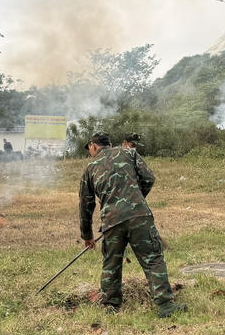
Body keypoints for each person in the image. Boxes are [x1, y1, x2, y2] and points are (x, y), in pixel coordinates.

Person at [78, 132, 184, 318]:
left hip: (111, 220)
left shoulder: (89, 169)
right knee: (152, 258)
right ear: (109, 144)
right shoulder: (129, 153)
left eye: (89, 149)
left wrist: (87, 235)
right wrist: (136, 199)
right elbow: (149, 178)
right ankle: (165, 306)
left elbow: (86, 205)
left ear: (93, 146)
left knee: (112, 263)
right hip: (139, 215)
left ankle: (111, 306)